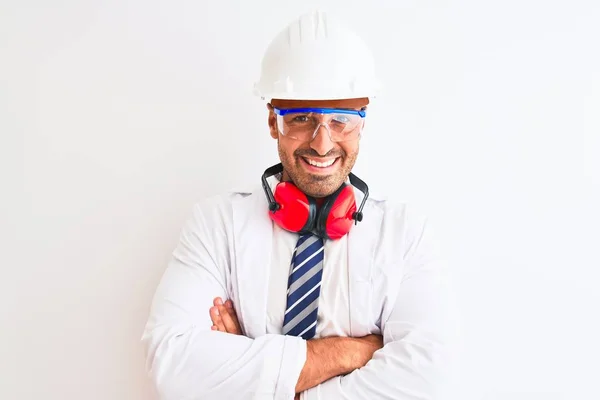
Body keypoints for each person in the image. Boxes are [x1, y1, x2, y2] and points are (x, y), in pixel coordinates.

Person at [142, 10, 458, 400]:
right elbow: (172, 366)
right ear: (274, 121)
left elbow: (429, 379)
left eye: (341, 120)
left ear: (363, 123)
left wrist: (256, 378)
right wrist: (351, 352)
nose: (322, 143)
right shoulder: (216, 225)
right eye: (301, 118)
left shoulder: (406, 234)